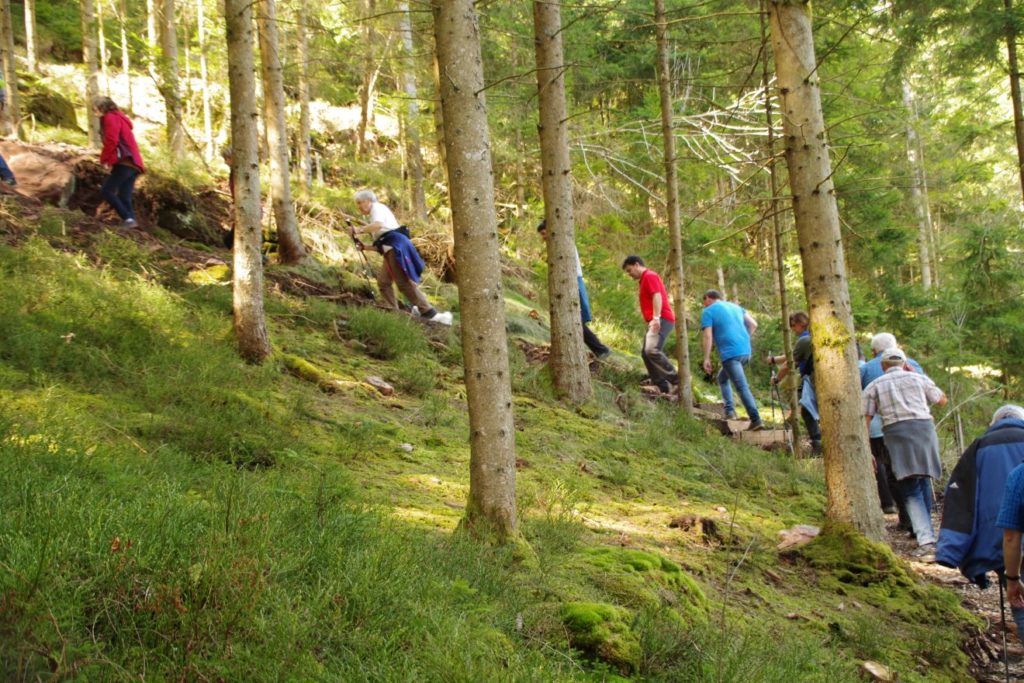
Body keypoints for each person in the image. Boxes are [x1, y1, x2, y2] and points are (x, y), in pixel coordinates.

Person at [863, 347, 947, 560]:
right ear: (904, 363)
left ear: (882, 366)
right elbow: (941, 400)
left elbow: (866, 418)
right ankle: (927, 534)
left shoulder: (874, 385)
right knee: (923, 480)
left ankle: (926, 539)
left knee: (909, 487)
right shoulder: (918, 378)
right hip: (924, 430)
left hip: (897, 433)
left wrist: (867, 449)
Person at [936, 405, 1024, 587]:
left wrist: (949, 552)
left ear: (994, 423)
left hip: (998, 536)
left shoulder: (979, 447)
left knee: (1017, 596)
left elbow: (960, 500)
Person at [350, 189, 451, 325]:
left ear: (368, 201)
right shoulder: (375, 214)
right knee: (384, 282)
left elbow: (379, 226)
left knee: (403, 283)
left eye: (359, 203)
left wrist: (358, 230)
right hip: (391, 248)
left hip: (396, 248)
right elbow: (383, 242)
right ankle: (393, 312)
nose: (359, 207)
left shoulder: (377, 208)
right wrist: (364, 247)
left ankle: (429, 313)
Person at [861, 332, 926, 520]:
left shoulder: (865, 369)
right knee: (914, 471)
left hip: (877, 427)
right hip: (913, 426)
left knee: (888, 468)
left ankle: (897, 510)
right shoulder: (911, 364)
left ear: (874, 351)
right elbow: (925, 388)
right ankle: (918, 518)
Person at [537, 220, 610, 359]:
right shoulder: (555, 245)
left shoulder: (563, 242)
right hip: (570, 282)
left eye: (544, 233)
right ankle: (598, 350)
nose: (543, 237)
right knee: (574, 321)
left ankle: (601, 349)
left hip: (573, 281)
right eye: (541, 234)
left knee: (576, 320)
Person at [700, 289, 762, 430]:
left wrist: (706, 358)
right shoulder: (736, 307)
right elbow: (753, 324)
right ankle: (730, 411)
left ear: (708, 298)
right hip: (746, 352)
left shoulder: (708, 311)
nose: (704, 305)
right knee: (723, 378)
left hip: (730, 354)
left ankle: (756, 419)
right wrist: (745, 339)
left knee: (741, 387)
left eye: (704, 302)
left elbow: (707, 336)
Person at [621, 255, 678, 395]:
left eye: (629, 270)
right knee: (645, 354)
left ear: (636, 265)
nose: (629, 274)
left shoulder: (650, 276)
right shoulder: (644, 279)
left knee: (651, 350)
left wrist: (656, 318)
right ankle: (662, 386)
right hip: (657, 319)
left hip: (662, 318)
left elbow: (657, 296)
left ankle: (677, 380)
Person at [768, 311, 820, 452]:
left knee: (807, 410)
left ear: (801, 323)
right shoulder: (809, 337)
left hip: (812, 379)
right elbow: (791, 355)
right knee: (807, 408)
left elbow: (790, 363)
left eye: (793, 325)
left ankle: (817, 442)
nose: (792, 329)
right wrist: (774, 360)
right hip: (812, 378)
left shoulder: (804, 340)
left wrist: (777, 379)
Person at [94, 97, 144, 229]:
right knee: (124, 196)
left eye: (96, 110)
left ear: (102, 107)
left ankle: (128, 218)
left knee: (107, 191)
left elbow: (112, 140)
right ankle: (132, 223)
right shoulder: (120, 118)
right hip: (134, 163)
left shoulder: (110, 117)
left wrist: (104, 160)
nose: (95, 113)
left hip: (125, 162)